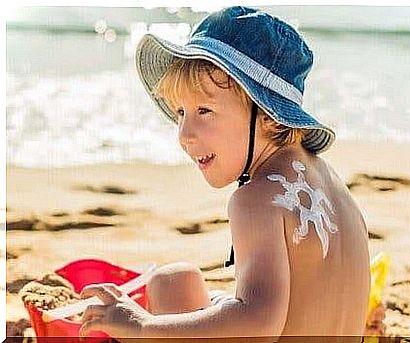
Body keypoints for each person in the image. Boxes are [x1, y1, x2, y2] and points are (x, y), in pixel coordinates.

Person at [79, 6, 385, 342]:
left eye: (204, 111)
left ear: (268, 116)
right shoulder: (336, 189)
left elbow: (260, 323)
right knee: (177, 280)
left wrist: (142, 326)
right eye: (181, 112)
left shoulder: (257, 198)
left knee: (167, 289)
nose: (184, 134)